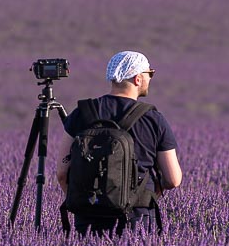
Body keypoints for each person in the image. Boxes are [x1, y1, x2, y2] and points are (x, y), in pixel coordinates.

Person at [56, 51, 183, 235]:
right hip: (135, 217)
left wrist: (82, 202)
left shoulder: (81, 113)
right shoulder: (153, 119)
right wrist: (146, 194)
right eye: (150, 74)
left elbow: (61, 173)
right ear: (138, 78)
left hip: (88, 218)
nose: (151, 79)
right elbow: (173, 179)